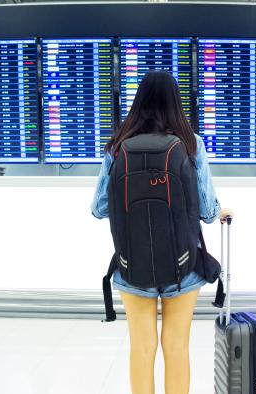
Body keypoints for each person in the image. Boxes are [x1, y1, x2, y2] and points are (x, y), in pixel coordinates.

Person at [91, 70, 232, 394]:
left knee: (142, 349)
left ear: (138, 101)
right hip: (183, 265)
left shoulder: (117, 146)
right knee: (176, 347)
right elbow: (208, 210)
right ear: (175, 102)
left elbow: (99, 208)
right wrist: (219, 211)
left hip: (131, 265)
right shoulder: (190, 143)